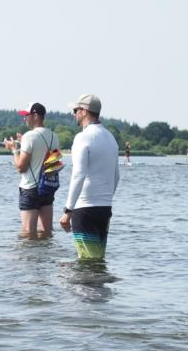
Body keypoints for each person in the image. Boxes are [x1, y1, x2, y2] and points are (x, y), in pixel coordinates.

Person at [59, 94, 120, 260]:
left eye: (75, 110)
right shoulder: (110, 138)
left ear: (84, 111)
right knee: (98, 259)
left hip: (84, 209)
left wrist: (68, 210)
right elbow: (116, 176)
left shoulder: (82, 137)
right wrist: (105, 199)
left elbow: (79, 174)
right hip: (105, 208)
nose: (74, 114)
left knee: (87, 261)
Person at [11, 101, 60, 237]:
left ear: (36, 115)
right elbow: (53, 165)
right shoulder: (54, 137)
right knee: (46, 233)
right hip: (47, 188)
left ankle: (31, 259)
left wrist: (14, 151)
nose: (24, 118)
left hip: (30, 189)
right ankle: (46, 259)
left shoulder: (29, 136)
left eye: (27, 115)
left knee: (28, 234)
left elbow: (21, 167)